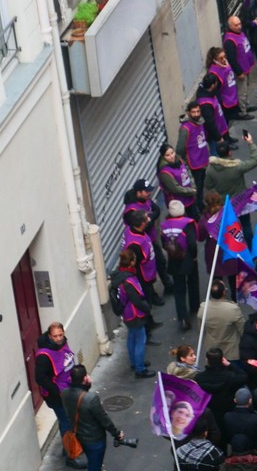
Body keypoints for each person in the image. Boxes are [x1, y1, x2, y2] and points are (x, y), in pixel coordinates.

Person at [61, 364, 127, 471]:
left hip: (78, 435)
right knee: (95, 465)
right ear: (85, 379)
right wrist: (117, 433)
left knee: (92, 462)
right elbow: (104, 420)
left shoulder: (64, 393)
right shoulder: (91, 399)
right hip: (94, 440)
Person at [34, 321, 79, 450]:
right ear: (49, 336)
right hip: (57, 396)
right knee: (67, 423)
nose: (59, 338)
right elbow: (40, 378)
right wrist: (57, 391)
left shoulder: (63, 343)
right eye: (55, 336)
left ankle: (68, 448)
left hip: (68, 390)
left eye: (60, 335)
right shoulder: (44, 356)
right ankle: (71, 453)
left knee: (66, 420)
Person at [109, 249, 151, 377]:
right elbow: (136, 300)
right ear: (132, 262)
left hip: (127, 314)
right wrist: (147, 307)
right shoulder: (128, 281)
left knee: (132, 337)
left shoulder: (119, 276)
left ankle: (134, 362)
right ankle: (140, 368)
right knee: (140, 340)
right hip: (135, 314)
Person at [160, 200, 199, 331]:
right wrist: (193, 256)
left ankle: (183, 318)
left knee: (179, 290)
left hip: (174, 259)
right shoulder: (188, 223)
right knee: (193, 283)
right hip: (188, 258)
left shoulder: (164, 225)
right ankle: (194, 307)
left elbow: (163, 243)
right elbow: (192, 244)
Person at [195, 278, 245, 360]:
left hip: (212, 350)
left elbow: (201, 330)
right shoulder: (232, 309)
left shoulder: (203, 308)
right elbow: (242, 329)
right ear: (224, 292)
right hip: (230, 350)